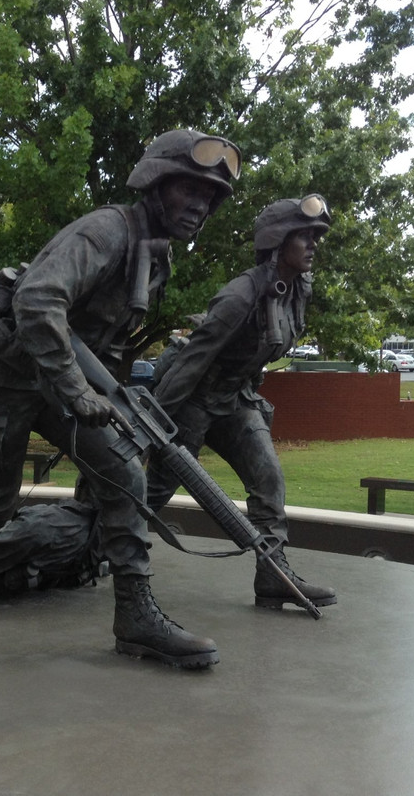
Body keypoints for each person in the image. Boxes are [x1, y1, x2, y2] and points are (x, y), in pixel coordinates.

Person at [0, 130, 240, 669]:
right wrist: (78, 391)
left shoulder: (156, 256)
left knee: (125, 473)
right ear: (155, 184)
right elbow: (37, 299)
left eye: (210, 198)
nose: (201, 207)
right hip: (4, 379)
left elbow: (106, 341)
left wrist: (113, 402)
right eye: (189, 191)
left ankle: (136, 618)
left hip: (56, 382)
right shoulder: (105, 232)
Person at [145, 195, 338, 610]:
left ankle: (273, 574)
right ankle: (87, 549)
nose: (313, 244)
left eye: (315, 237)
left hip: (235, 398)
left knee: (268, 478)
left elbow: (259, 353)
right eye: (304, 236)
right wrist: (155, 421)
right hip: (194, 398)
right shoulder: (240, 294)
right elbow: (193, 360)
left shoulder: (297, 292)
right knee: (155, 491)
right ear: (278, 239)